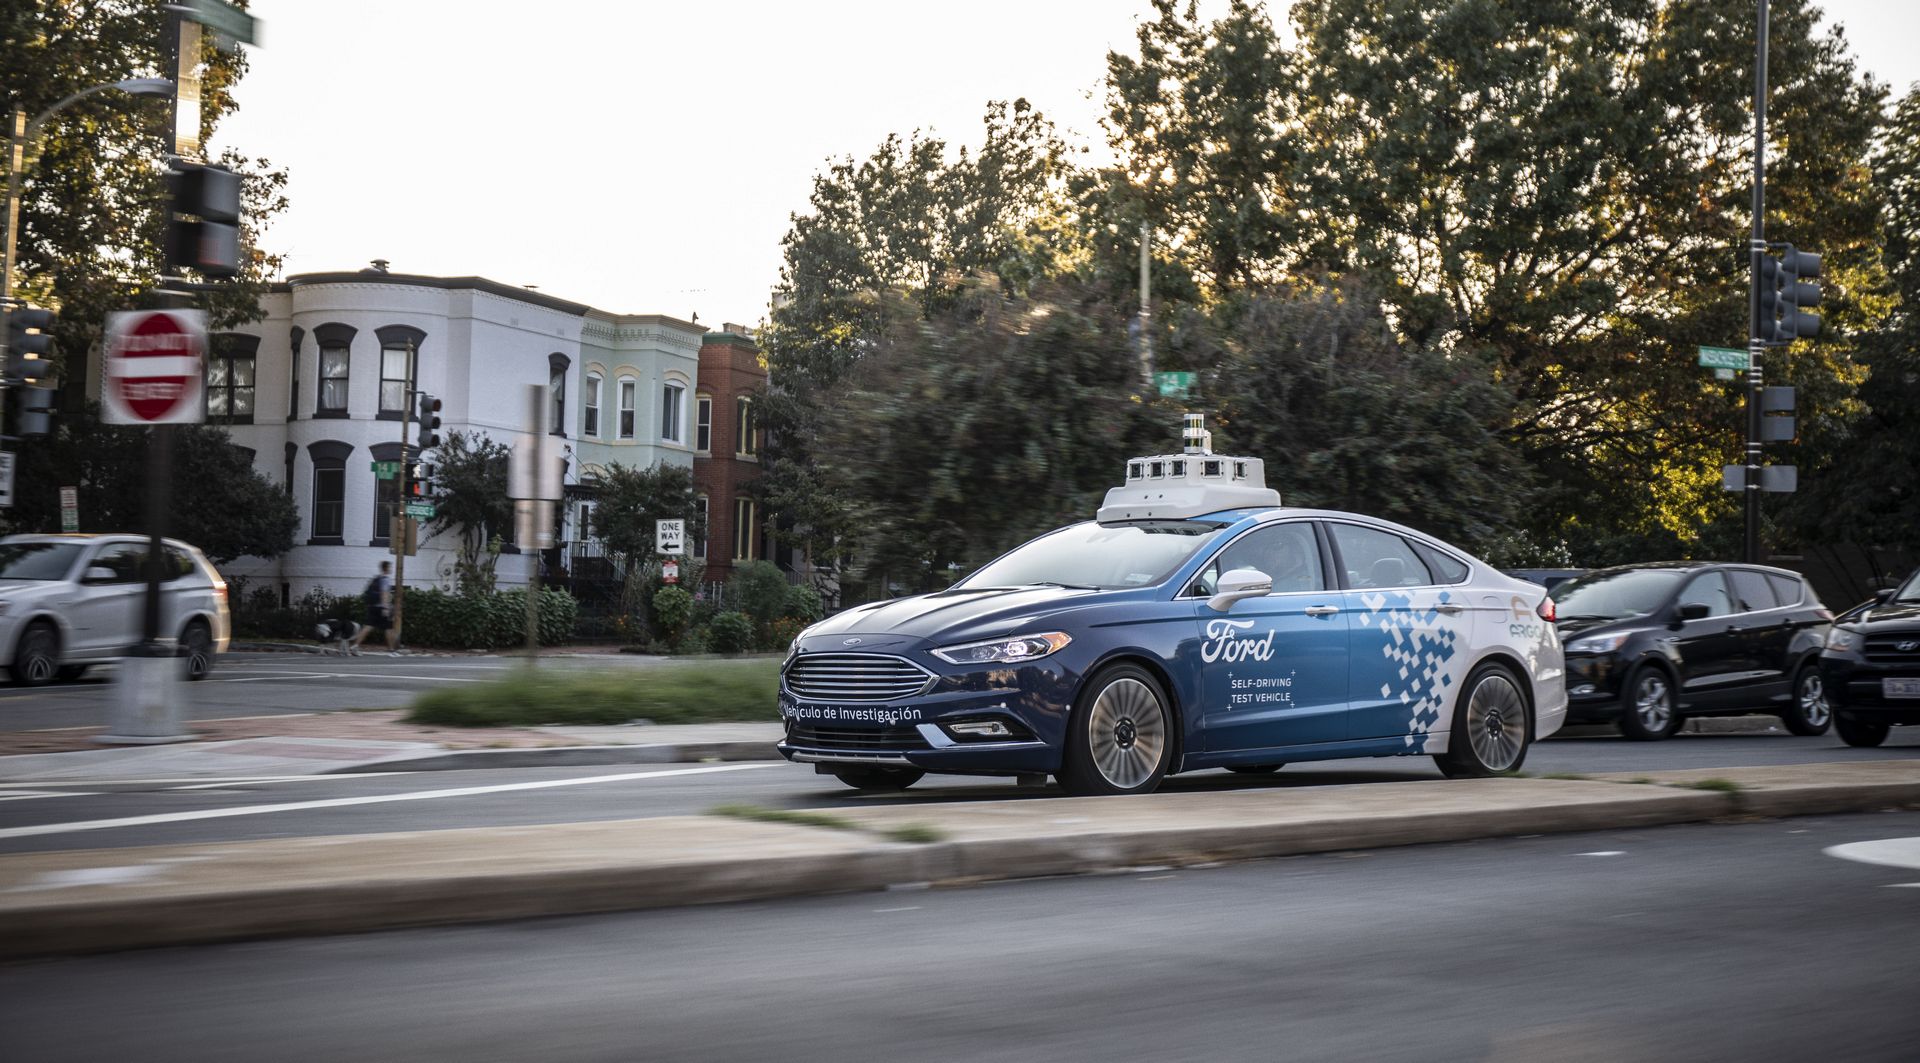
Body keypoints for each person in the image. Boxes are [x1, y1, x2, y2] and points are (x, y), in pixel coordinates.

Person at [349, 561, 396, 654]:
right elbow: (384, 594)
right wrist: (386, 608)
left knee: (368, 626)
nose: (391, 569)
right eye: (390, 567)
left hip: (372, 607)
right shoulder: (385, 579)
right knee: (389, 628)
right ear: (386, 568)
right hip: (381, 608)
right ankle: (392, 649)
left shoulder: (377, 578)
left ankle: (355, 645)